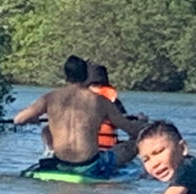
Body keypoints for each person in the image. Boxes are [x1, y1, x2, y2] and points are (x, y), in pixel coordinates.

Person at [14, 55, 146, 178]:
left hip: (61, 162)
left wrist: (33, 118)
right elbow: (129, 128)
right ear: (86, 76)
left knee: (46, 130)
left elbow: (18, 120)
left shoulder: (50, 98)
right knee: (133, 144)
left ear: (66, 75)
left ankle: (52, 156)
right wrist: (142, 123)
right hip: (89, 165)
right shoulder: (100, 101)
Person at [86, 63, 128, 151]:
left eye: (99, 86)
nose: (98, 89)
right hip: (97, 151)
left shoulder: (114, 102)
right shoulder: (113, 101)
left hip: (103, 151)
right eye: (95, 86)